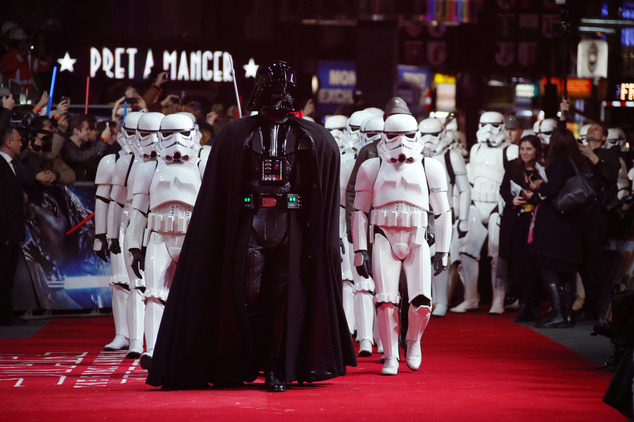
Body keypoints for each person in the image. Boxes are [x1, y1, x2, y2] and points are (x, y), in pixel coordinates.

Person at [146, 61, 356, 392]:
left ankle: (274, 364)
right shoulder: (235, 135)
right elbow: (223, 191)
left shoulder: (314, 138)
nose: (279, 104)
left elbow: (320, 191)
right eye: (273, 96)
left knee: (282, 296)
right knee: (249, 295)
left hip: (291, 228)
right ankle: (242, 359)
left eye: (284, 96)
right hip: (251, 225)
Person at [352, 113, 452, 375]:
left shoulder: (431, 166)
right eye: (393, 136)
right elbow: (359, 211)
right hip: (384, 235)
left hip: (417, 235)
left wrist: (443, 249)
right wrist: (359, 250)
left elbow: (442, 212)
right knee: (385, 301)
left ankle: (413, 341)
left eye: (407, 135)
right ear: (383, 136)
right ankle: (391, 356)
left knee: (422, 302)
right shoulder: (371, 167)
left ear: (417, 135)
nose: (401, 143)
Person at [451, 111, 518, 315]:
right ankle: (471, 298)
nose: (488, 130)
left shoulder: (511, 150)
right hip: (477, 203)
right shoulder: (475, 149)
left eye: (494, 125)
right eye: (484, 125)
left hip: (499, 206)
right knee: (466, 251)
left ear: (502, 126)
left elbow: (517, 179)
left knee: (497, 255)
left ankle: (499, 300)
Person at [531, 128, 591, 328]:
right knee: (566, 269)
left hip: (555, 224)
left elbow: (552, 189)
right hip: (571, 223)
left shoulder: (560, 161)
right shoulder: (577, 161)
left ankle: (557, 312)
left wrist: (539, 185)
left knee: (548, 265)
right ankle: (566, 314)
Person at [575, 122, 620, 322]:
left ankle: (595, 305)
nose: (591, 130)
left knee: (595, 262)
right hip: (578, 213)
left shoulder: (609, 155)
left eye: (596, 129)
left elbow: (610, 176)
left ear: (603, 137)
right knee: (581, 262)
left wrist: (592, 156)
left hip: (598, 215)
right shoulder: (577, 154)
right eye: (589, 128)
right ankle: (587, 301)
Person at [499, 135, 543, 322]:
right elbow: (503, 189)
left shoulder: (541, 169)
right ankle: (523, 303)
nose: (524, 153)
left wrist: (535, 196)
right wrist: (512, 199)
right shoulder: (512, 166)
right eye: (522, 149)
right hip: (517, 221)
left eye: (528, 149)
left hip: (536, 222)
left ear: (536, 150)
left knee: (534, 264)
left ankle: (531, 304)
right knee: (518, 264)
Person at [0, 126, 26, 325]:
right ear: (9, 142)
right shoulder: (1, 165)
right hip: (5, 232)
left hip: (13, 231)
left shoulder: (11, 164)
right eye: (18, 140)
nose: (21, 143)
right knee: (2, 274)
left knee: (9, 274)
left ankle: (6, 312)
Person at [60, 115, 118, 181]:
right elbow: (81, 157)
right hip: (73, 186)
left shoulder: (85, 146)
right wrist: (103, 140)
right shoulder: (66, 146)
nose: (89, 132)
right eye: (87, 129)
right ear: (76, 131)